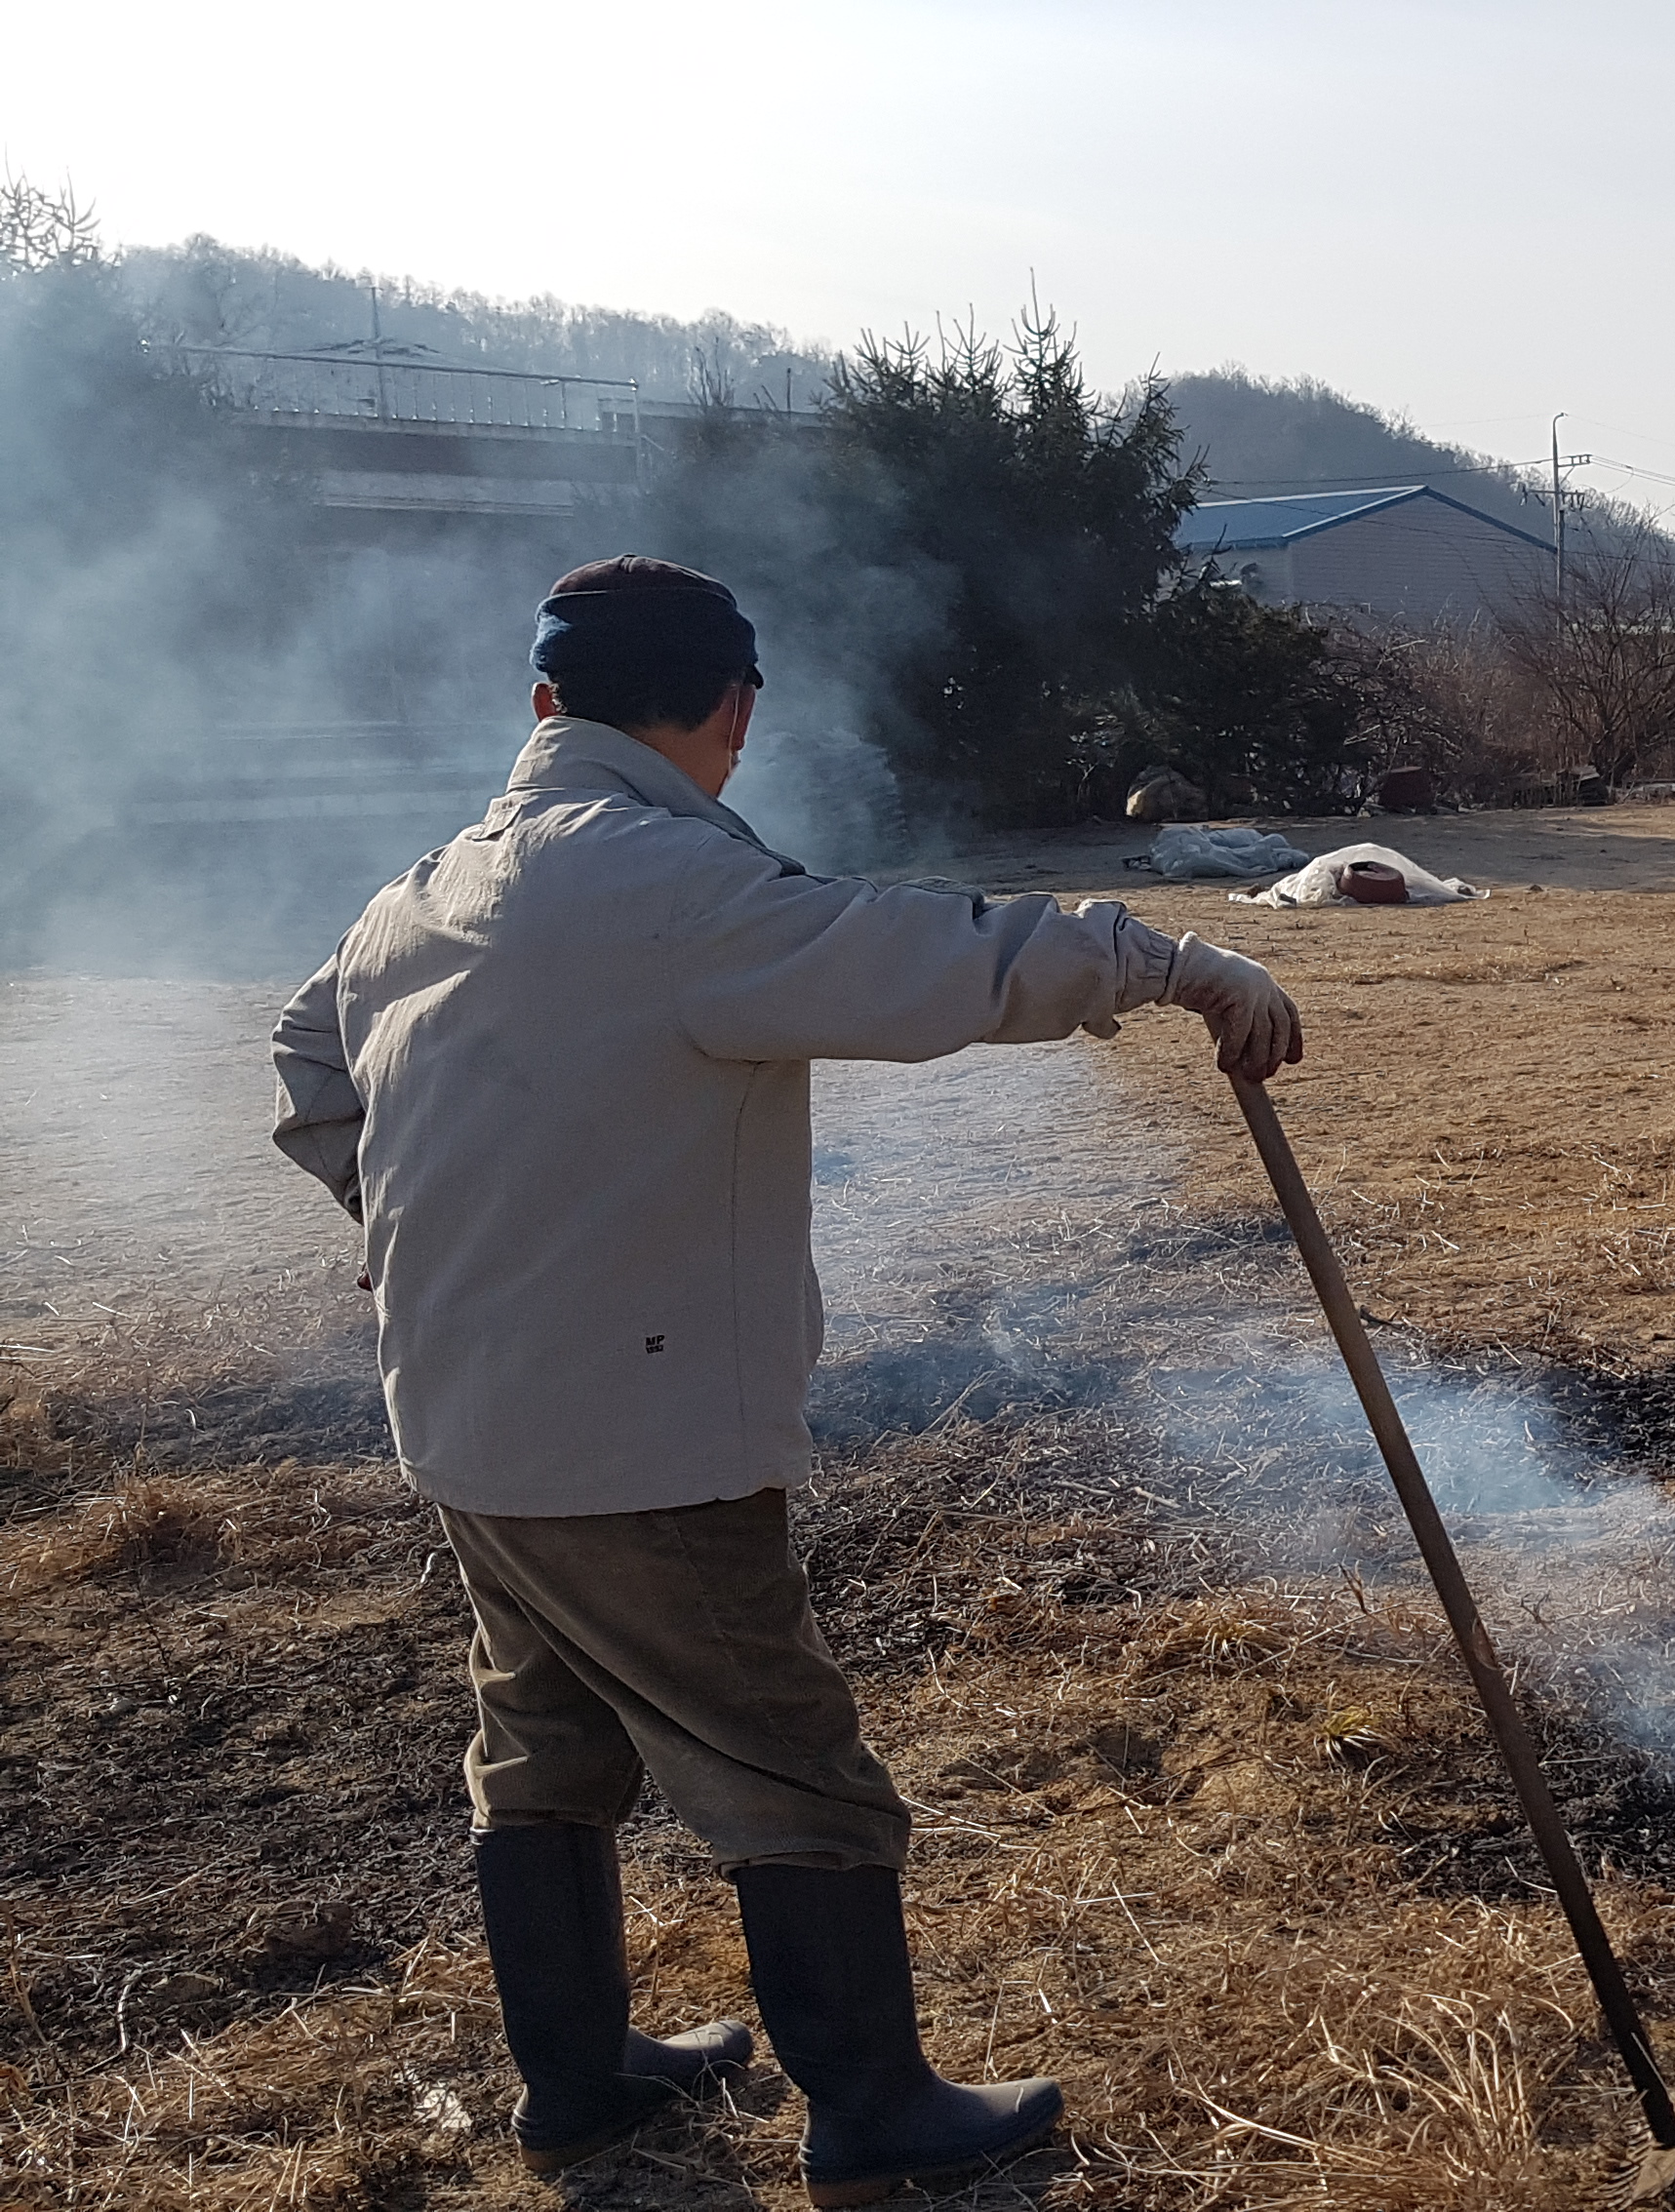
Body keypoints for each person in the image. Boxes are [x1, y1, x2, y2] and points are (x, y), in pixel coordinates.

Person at [268, 558, 1303, 2204]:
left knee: (540, 1742)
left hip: (463, 1413)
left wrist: (414, 1224)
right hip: (636, 1433)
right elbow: (929, 954)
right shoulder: (672, 883)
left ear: (545, 703)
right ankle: (875, 2110)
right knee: (789, 1760)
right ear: (734, 710)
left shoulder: (423, 890)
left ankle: (579, 2084)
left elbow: (309, 1056)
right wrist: (1169, 962)